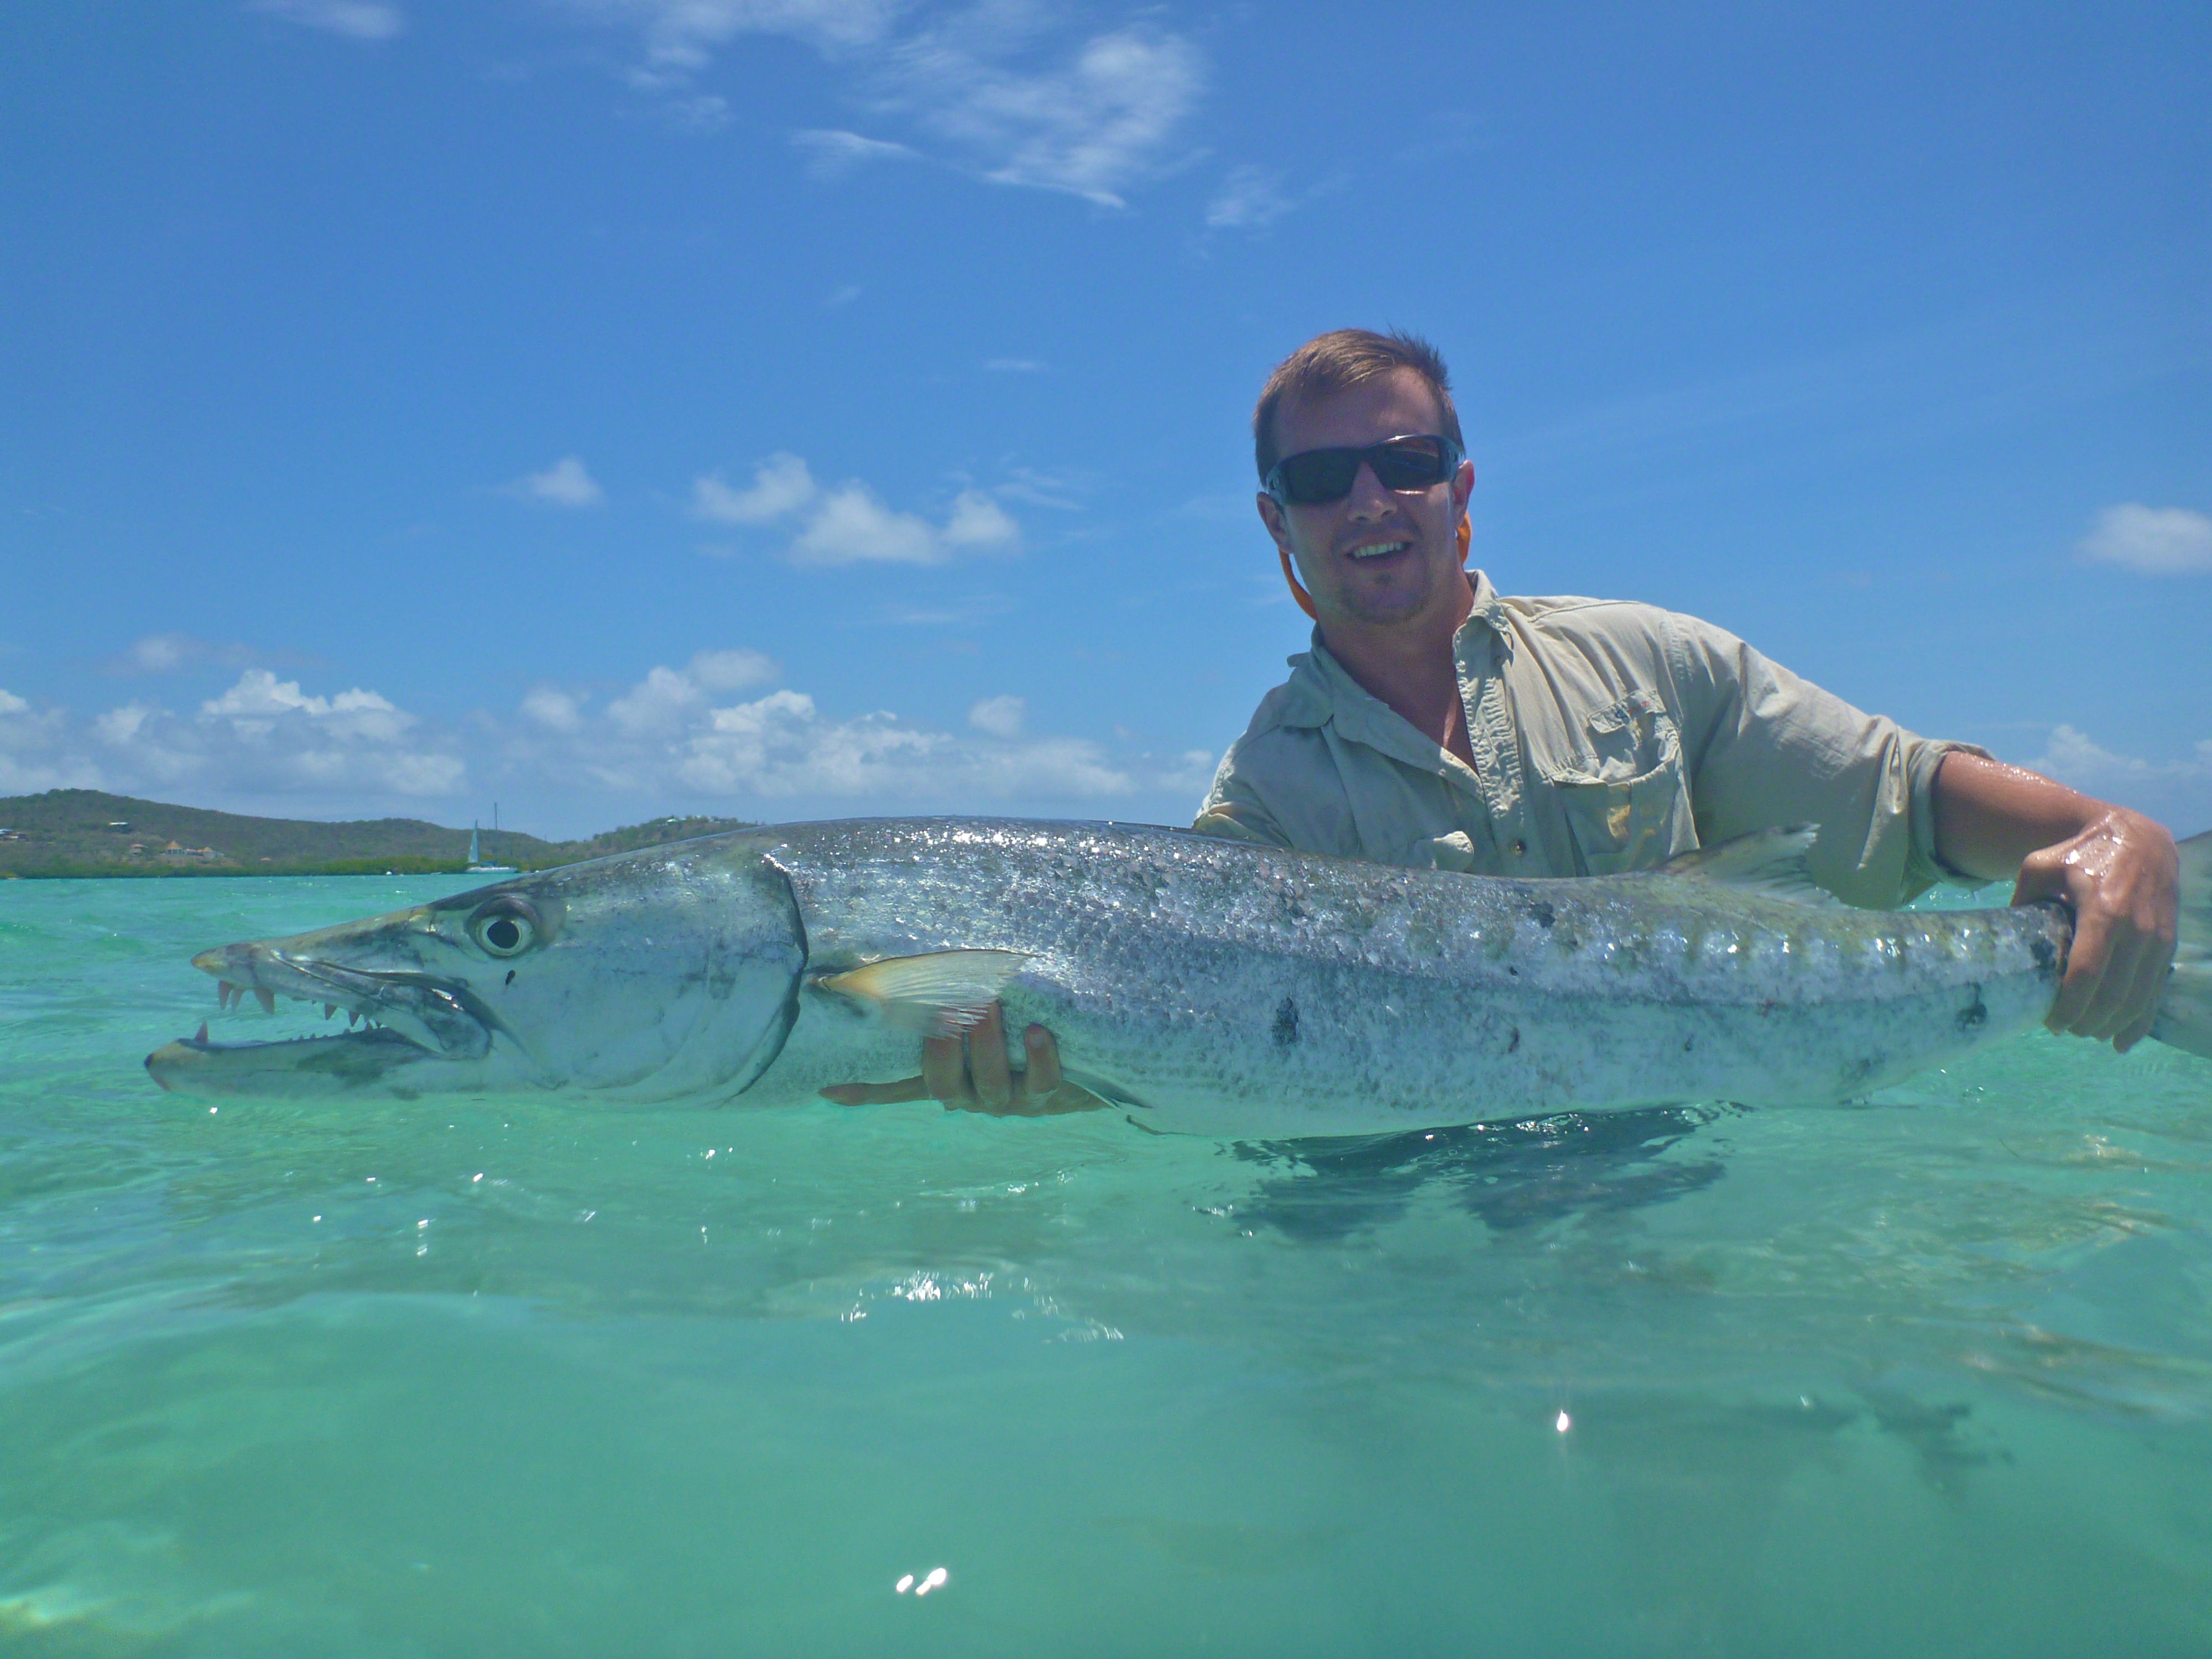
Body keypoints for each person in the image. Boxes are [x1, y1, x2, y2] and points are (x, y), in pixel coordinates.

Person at [823, 329, 2180, 1116]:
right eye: (1320, 475)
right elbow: (1194, 1067)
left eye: (1404, 463)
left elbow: (1907, 798)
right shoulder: (1257, 808)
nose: (1369, 499)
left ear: (1457, 491)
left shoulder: (1650, 659)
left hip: (1689, 1169)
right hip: (1424, 1237)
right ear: (1274, 523)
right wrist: (1054, 1086)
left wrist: (2124, 839)